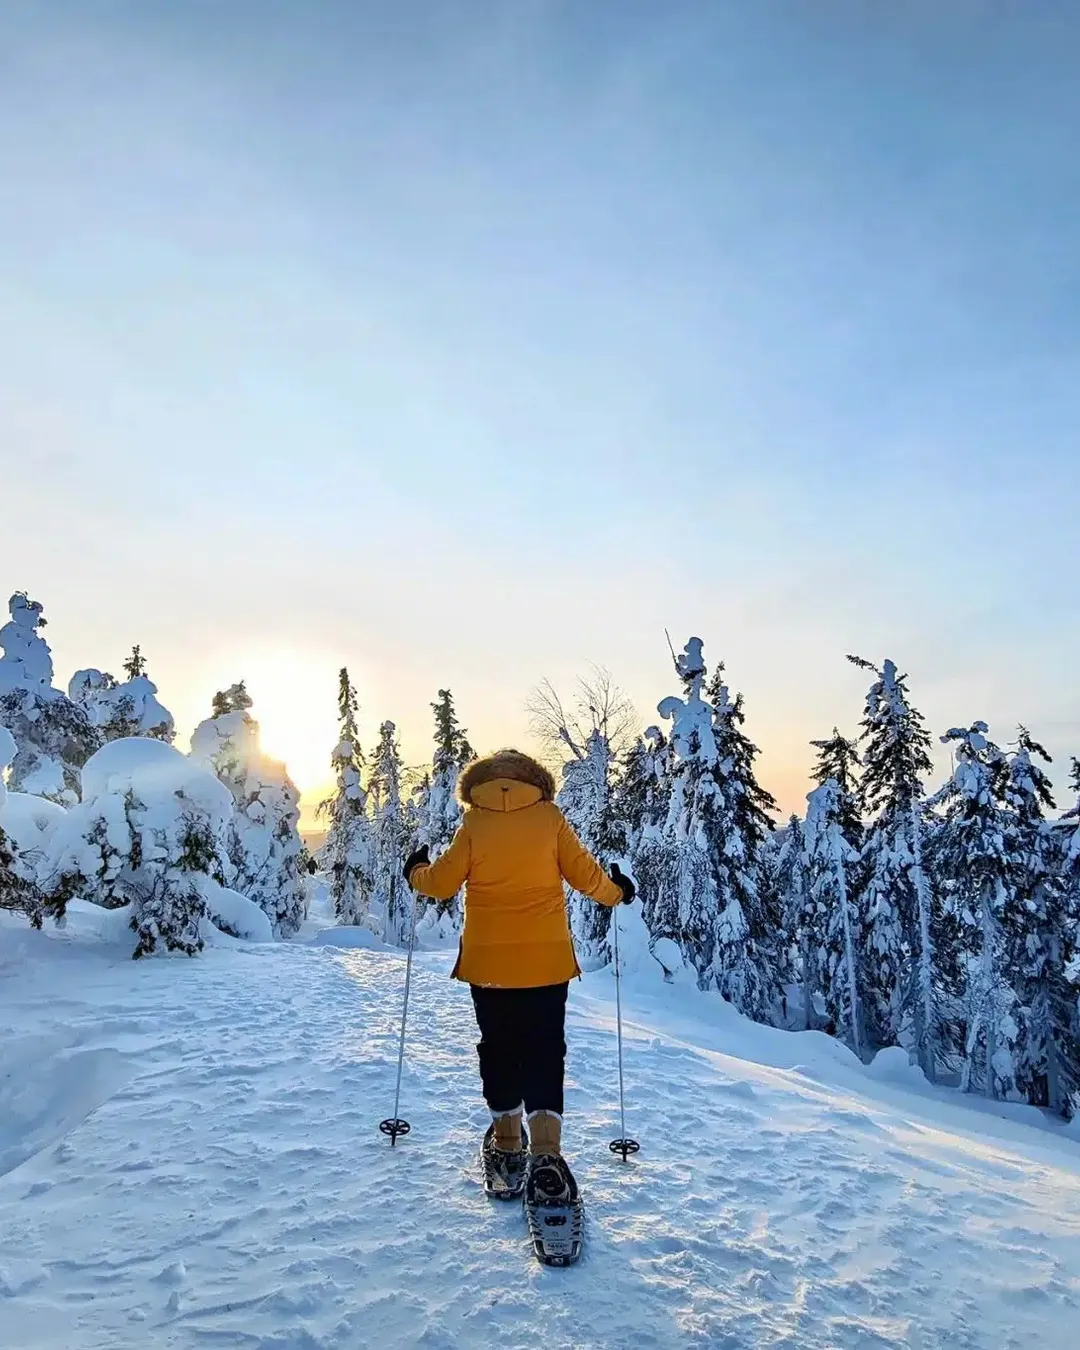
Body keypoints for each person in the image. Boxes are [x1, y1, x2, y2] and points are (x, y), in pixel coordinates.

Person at [403, 748, 634, 1204]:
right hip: (546, 963)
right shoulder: (549, 818)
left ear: (481, 785)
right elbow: (587, 878)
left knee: (499, 1046)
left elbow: (440, 884)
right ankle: (547, 1154)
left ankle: (508, 1144)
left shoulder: (474, 824)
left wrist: (415, 871)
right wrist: (618, 891)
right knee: (546, 1048)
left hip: (489, 965)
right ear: (535, 781)